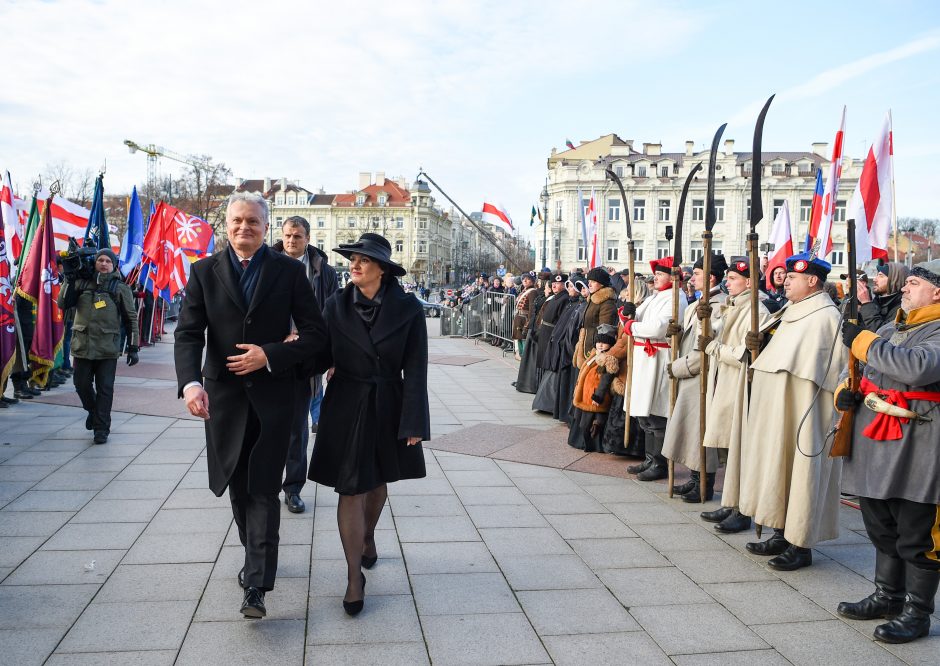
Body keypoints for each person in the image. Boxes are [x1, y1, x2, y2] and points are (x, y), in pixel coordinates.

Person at [175, 192, 327, 619]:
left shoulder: (288, 272)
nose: (245, 228)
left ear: (266, 226)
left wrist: (270, 354)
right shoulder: (203, 272)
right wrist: (189, 384)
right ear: (227, 224)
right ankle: (253, 556)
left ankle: (257, 584)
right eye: (238, 221)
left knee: (262, 485)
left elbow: (316, 334)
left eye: (254, 222)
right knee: (237, 487)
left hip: (274, 397)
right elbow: (188, 333)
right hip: (222, 398)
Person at [309, 232, 430, 617]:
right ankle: (353, 577)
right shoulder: (335, 305)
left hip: (388, 402)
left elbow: (416, 369)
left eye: (363, 259)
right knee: (350, 486)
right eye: (352, 258)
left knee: (377, 481)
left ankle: (369, 537)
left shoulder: (408, 308)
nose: (354, 264)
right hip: (345, 401)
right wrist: (284, 354)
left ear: (382, 269)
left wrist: (414, 420)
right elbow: (318, 352)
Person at [835, 259, 940, 644]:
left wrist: (862, 340)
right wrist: (845, 395)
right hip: (877, 440)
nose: (906, 288)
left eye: (913, 283)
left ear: (937, 291)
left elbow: (915, 367)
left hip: (921, 442)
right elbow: (865, 374)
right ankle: (887, 596)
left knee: (917, 532)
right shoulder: (892, 325)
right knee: (882, 525)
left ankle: (917, 613)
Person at [738, 252, 846, 571]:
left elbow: (836, 370)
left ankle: (801, 544)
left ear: (812, 281)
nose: (784, 281)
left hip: (805, 413)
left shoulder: (826, 316)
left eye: (793, 277)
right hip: (779, 410)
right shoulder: (791, 310)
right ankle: (781, 532)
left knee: (802, 475)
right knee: (778, 468)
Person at [271, 215, 339, 514]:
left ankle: (293, 488)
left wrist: (333, 358)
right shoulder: (267, 262)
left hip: (307, 358)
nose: (291, 240)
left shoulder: (324, 271)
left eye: (297, 236)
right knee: (267, 426)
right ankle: (265, 484)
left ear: (307, 238)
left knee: (298, 427)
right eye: (287, 235)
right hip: (271, 355)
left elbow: (334, 316)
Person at [700, 256, 771, 532]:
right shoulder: (734, 307)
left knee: (739, 449)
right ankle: (731, 502)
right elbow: (717, 333)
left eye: (733, 279)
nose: (727, 283)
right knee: (729, 449)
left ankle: (742, 509)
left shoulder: (757, 310)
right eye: (727, 278)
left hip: (739, 385)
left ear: (750, 282)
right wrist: (704, 318)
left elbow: (743, 354)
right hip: (725, 382)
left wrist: (712, 348)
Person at [662, 254, 727, 502]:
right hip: (687, 375)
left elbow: (707, 349)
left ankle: (704, 484)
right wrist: (673, 336)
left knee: (700, 433)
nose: (692, 277)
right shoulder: (693, 305)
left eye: (697, 273)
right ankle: (694, 478)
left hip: (701, 377)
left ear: (710, 277)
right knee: (689, 433)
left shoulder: (718, 306)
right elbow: (683, 342)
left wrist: (678, 368)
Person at [57, 248, 139, 444]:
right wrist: (68, 280)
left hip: (107, 348)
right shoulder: (81, 283)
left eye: (107, 261)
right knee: (81, 384)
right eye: (100, 260)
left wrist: (133, 347)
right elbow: (62, 303)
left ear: (113, 265)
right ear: (95, 263)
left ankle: (101, 429)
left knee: (105, 389)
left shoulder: (120, 288)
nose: (103, 264)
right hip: (82, 346)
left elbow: (131, 319)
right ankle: (93, 411)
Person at [623, 257, 687, 481]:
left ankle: (660, 463)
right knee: (645, 413)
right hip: (645, 358)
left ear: (672, 276)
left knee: (657, 414)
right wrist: (628, 313)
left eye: (660, 274)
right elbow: (635, 320)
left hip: (659, 357)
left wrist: (632, 326)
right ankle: (650, 457)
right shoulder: (656, 296)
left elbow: (659, 327)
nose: (655, 278)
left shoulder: (676, 298)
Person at [601, 279, 651, 457]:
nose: (626, 293)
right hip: (625, 362)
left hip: (634, 361)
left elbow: (627, 340)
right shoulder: (627, 310)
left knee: (631, 407)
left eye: (630, 291)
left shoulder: (641, 310)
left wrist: (610, 355)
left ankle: (631, 447)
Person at [568, 323, 619, 451]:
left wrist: (598, 395)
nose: (600, 344)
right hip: (586, 396)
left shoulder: (608, 359)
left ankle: (593, 445)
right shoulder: (593, 355)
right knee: (584, 423)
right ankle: (583, 443)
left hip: (595, 397)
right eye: (599, 342)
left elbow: (605, 381)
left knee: (593, 423)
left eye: (604, 342)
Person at [531, 273, 569, 413]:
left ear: (564, 284)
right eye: (552, 283)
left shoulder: (564, 299)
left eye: (557, 283)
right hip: (545, 332)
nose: (554, 285)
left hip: (551, 334)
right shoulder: (555, 297)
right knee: (542, 363)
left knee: (547, 363)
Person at [573, 268, 617, 368]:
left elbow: (605, 332)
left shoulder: (607, 303)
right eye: (589, 282)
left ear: (601, 283)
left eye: (593, 281)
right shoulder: (592, 300)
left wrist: (599, 353)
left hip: (595, 351)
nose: (589, 285)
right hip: (586, 346)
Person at [858, 261, 910, 332]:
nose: (874, 279)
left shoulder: (903, 308)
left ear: (894, 280)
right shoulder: (878, 301)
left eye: (881, 276)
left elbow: (881, 333)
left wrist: (866, 303)